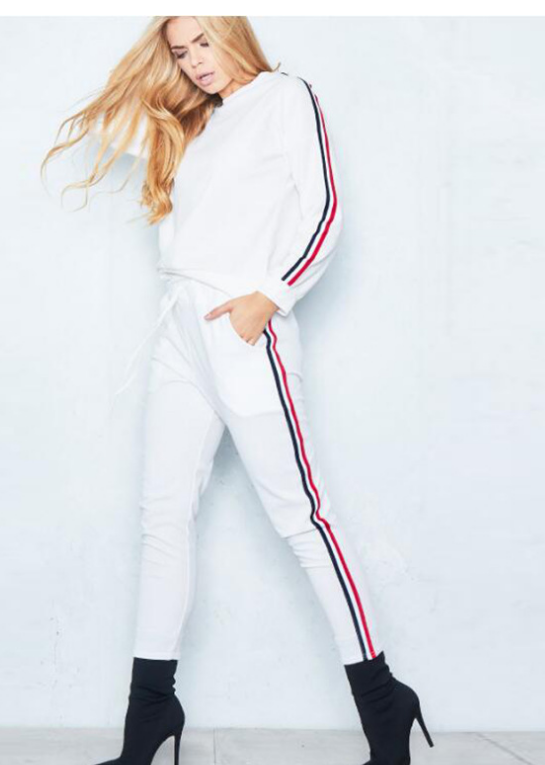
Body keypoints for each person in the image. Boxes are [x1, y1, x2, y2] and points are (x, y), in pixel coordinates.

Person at [42, 16, 435, 765]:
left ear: (233, 31)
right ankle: (148, 718)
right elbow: (109, 120)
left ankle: (384, 700)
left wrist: (271, 297)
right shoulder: (198, 122)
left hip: (242, 329)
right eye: (180, 51)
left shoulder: (285, 95)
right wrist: (153, 69)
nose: (194, 62)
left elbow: (326, 210)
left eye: (204, 42)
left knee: (304, 519)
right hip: (178, 332)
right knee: (162, 518)